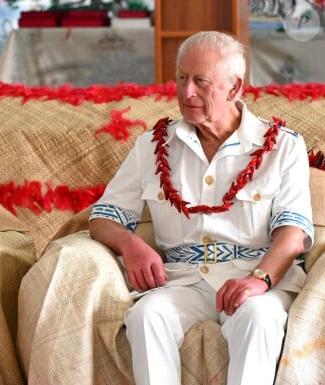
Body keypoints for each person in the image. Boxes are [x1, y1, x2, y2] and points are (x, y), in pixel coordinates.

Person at [89, 31, 313, 385]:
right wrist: (130, 245)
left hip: (256, 276)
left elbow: (293, 236)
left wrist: (258, 280)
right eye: (181, 78)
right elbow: (102, 218)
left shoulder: (283, 146)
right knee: (147, 315)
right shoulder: (152, 146)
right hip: (185, 281)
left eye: (200, 81)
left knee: (258, 319)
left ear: (234, 88)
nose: (186, 91)